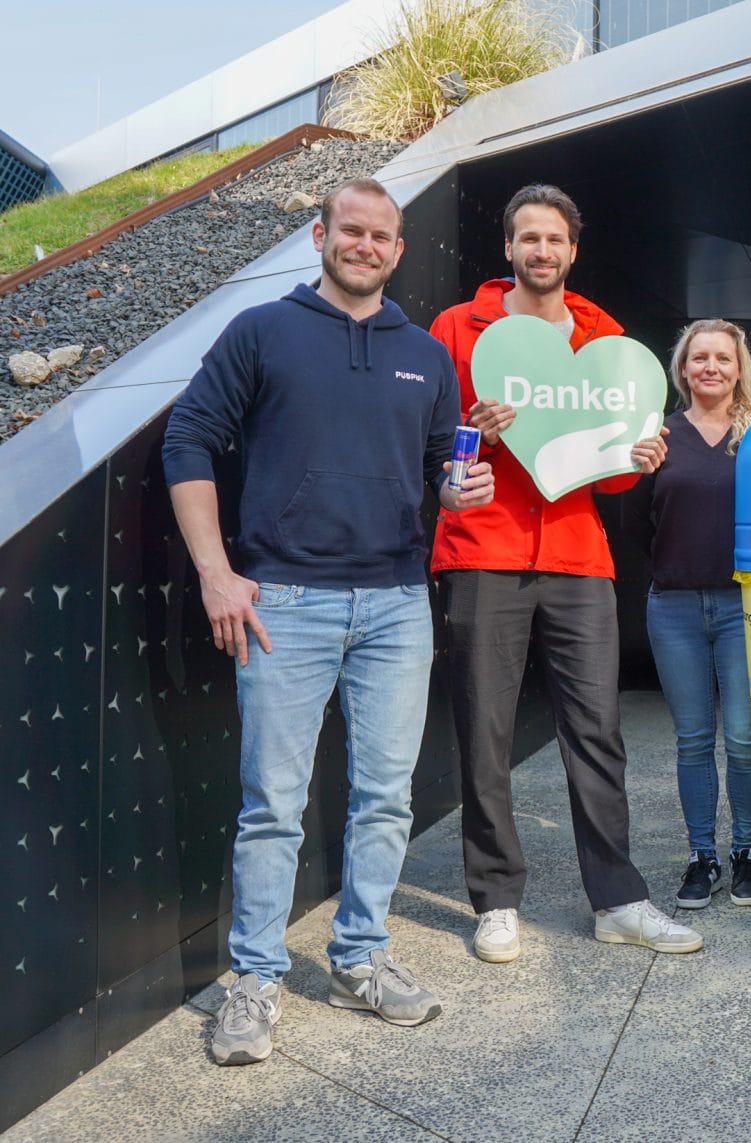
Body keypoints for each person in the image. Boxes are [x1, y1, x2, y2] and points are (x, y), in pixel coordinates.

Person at [163, 178, 494, 1066]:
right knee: (273, 805)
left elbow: (444, 468)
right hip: (285, 603)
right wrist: (216, 574)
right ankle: (255, 979)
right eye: (352, 230)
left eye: (382, 236)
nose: (366, 246)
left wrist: (462, 486)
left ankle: (359, 956)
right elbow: (186, 440)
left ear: (398, 249)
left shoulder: (425, 355)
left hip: (396, 604)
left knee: (386, 796)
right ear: (320, 235)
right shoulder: (262, 332)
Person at [428, 182, 701, 964]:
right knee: (485, 730)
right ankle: (496, 900)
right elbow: (434, 444)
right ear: (508, 247)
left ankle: (617, 899)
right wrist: (473, 435)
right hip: (484, 547)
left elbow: (606, 476)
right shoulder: (458, 327)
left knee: (596, 730)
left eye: (554, 239)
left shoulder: (602, 335)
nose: (541, 250)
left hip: (578, 556)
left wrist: (638, 457)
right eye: (528, 237)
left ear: (572, 250)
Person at [624, 319, 751, 909]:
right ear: (682, 369)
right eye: (699, 358)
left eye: (722, 358)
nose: (711, 367)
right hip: (674, 606)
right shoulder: (658, 435)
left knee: (743, 739)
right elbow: (636, 525)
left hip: (743, 606)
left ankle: (746, 853)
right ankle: (701, 856)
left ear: (739, 369)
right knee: (692, 741)